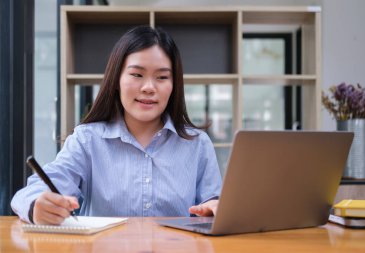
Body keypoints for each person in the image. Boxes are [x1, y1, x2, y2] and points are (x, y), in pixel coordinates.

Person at [11, 25, 222, 225]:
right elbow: (32, 191)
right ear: (116, 80)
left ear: (174, 85)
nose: (149, 87)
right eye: (137, 74)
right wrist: (38, 206)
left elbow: (214, 203)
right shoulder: (87, 140)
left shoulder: (198, 144)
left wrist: (216, 208)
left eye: (162, 77)